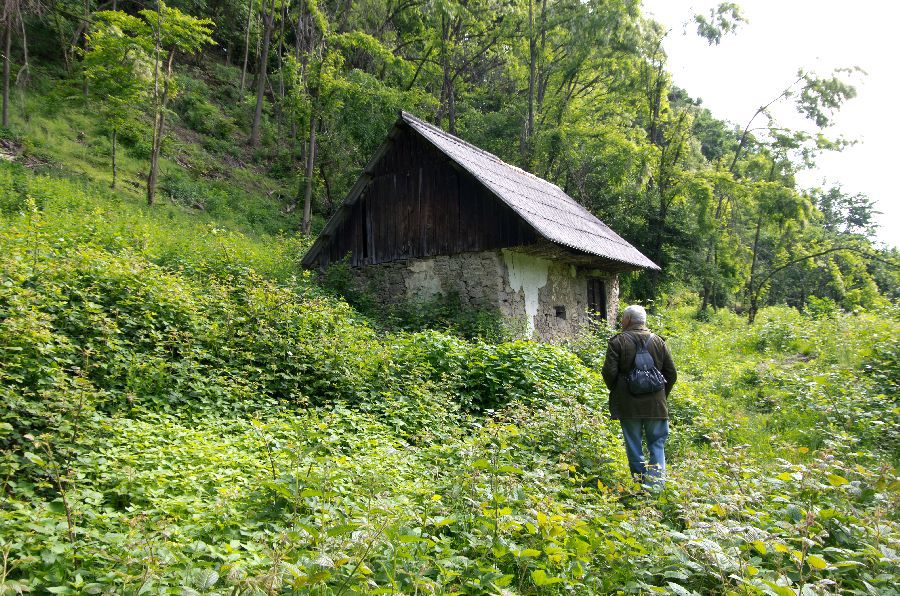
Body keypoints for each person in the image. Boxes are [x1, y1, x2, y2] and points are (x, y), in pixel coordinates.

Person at [601, 304, 677, 485]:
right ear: (643, 321)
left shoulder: (617, 342)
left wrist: (619, 390)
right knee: (657, 444)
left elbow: (608, 373)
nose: (621, 321)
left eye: (623, 319)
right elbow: (671, 374)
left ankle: (640, 484)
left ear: (627, 320)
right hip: (656, 405)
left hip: (629, 405)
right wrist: (661, 395)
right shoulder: (659, 341)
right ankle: (656, 486)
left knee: (634, 445)